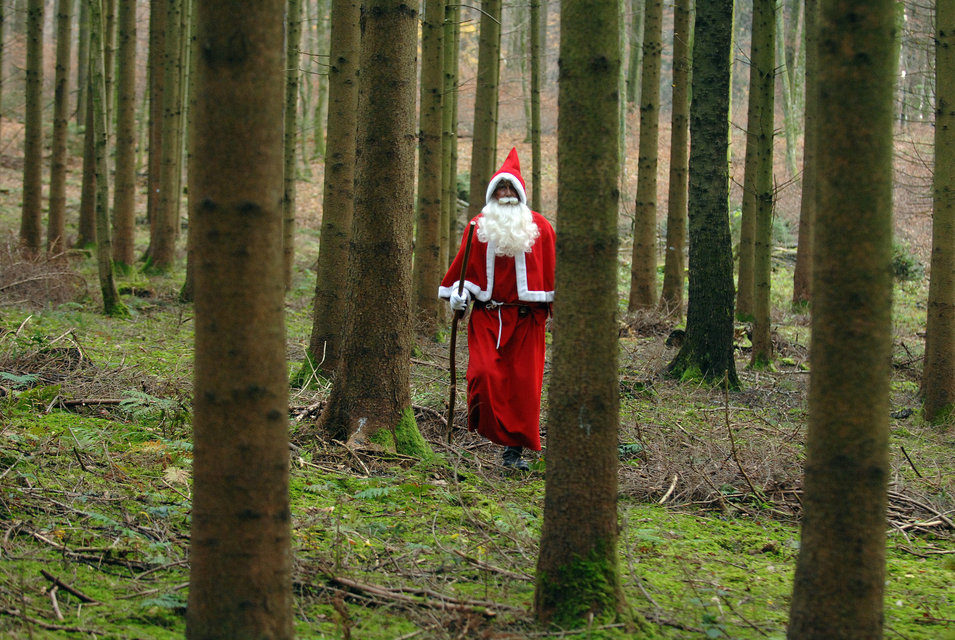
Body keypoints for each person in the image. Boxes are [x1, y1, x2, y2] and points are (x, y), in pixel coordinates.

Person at [439, 148, 556, 471]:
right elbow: (465, 271)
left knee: (523, 386)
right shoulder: (478, 227)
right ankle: (491, 430)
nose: (506, 194)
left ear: (520, 192)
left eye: (511, 188)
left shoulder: (541, 228)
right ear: (492, 193)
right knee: (483, 375)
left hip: (528, 320)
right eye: (500, 188)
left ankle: (513, 452)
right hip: (488, 317)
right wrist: (460, 295)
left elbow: (554, 273)